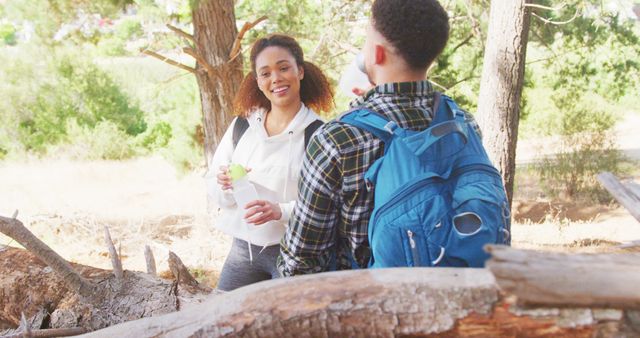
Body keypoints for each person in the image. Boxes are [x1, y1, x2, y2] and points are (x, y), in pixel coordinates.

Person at [278, 0, 481, 275]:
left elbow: (300, 263)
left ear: (375, 54)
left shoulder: (337, 139)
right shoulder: (464, 125)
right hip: (455, 299)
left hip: (368, 307)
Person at [208, 34, 333, 290]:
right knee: (223, 322)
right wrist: (224, 184)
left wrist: (281, 211)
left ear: (300, 71)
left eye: (283, 68)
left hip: (295, 254)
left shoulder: (319, 135)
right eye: (265, 73)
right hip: (243, 253)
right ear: (257, 81)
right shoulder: (241, 126)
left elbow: (329, 207)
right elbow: (215, 193)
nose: (275, 78)